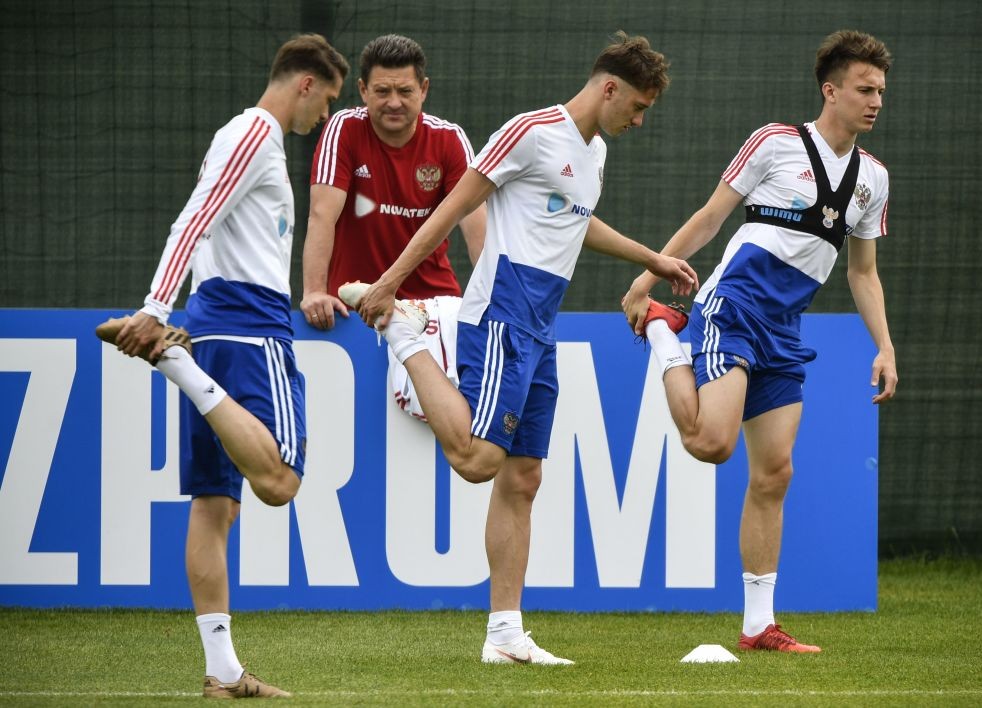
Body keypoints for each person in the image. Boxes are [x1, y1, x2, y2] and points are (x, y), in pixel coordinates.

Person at [347, 31, 698, 665]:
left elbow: (574, 218)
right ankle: (406, 336)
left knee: (523, 476)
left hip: (542, 322)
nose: (640, 121)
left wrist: (653, 258)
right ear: (609, 87)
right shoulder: (531, 130)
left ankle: (505, 636)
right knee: (480, 460)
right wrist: (391, 284)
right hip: (504, 307)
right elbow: (454, 206)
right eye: (638, 106)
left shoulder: (593, 152)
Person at [622, 29, 898, 653]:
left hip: (785, 330)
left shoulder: (873, 179)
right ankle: (669, 337)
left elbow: (862, 273)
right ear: (831, 91)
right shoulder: (776, 143)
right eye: (864, 89)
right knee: (712, 445)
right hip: (733, 309)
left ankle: (757, 627)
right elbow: (710, 218)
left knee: (774, 473)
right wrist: (647, 280)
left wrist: (884, 346)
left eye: (881, 90)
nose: (875, 100)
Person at [95, 34, 348, 697]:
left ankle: (223, 671)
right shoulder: (255, 135)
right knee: (282, 479)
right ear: (304, 84)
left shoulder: (243, 137)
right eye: (326, 102)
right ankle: (175, 363)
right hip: (247, 327)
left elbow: (205, 219)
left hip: (212, 327)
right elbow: (195, 217)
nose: (322, 117)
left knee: (215, 507)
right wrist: (154, 309)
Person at [301, 33, 486, 421]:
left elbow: (479, 230)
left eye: (405, 90)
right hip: (353, 312)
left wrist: (493, 307)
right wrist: (315, 292)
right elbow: (322, 215)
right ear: (363, 90)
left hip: (433, 308)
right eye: (382, 91)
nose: (394, 102)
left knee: (448, 433)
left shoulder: (449, 140)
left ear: (424, 89)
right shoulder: (344, 129)